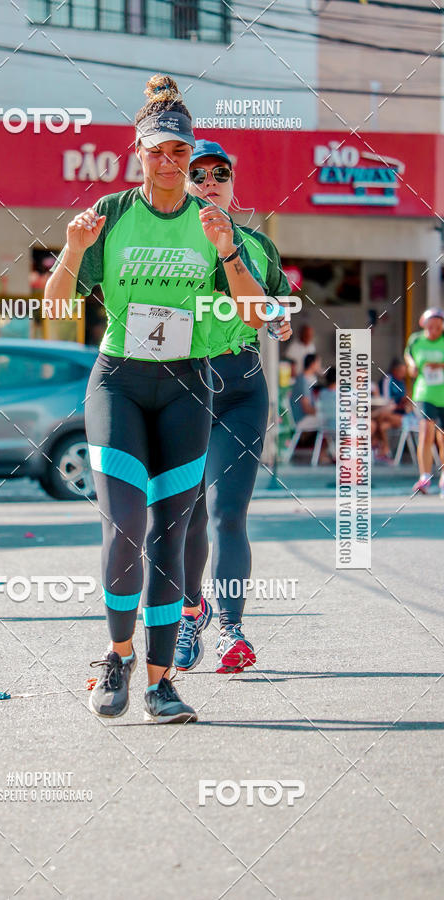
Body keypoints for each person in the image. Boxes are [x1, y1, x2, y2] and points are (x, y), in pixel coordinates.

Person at [45, 76, 266, 722]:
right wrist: (72, 249)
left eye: (179, 153)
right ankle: (117, 657)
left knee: (170, 538)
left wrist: (227, 251)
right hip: (118, 382)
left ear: (191, 155)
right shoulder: (111, 215)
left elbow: (253, 312)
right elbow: (57, 305)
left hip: (184, 387)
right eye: (157, 151)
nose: (169, 164)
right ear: (136, 151)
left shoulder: (211, 224)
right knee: (125, 530)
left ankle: (162, 682)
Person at [171, 138, 292, 674]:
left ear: (233, 182)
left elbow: (273, 303)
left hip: (241, 386)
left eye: (221, 173)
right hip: (181, 386)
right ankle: (187, 613)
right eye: (198, 173)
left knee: (227, 513)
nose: (210, 181)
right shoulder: (165, 244)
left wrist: (278, 317)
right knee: (183, 516)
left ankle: (231, 628)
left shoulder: (258, 244)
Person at [404, 308, 444, 495]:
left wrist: (440, 365)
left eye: (437, 326)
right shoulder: (416, 340)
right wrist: (411, 366)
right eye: (430, 327)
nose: (434, 330)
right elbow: (409, 356)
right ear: (424, 324)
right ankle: (425, 477)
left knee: (442, 438)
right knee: (426, 432)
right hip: (424, 393)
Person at [291, 352, 321, 427]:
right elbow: (306, 408)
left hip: (304, 418)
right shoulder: (303, 380)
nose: (319, 366)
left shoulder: (305, 378)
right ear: (312, 364)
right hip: (300, 420)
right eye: (318, 363)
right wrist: (322, 413)